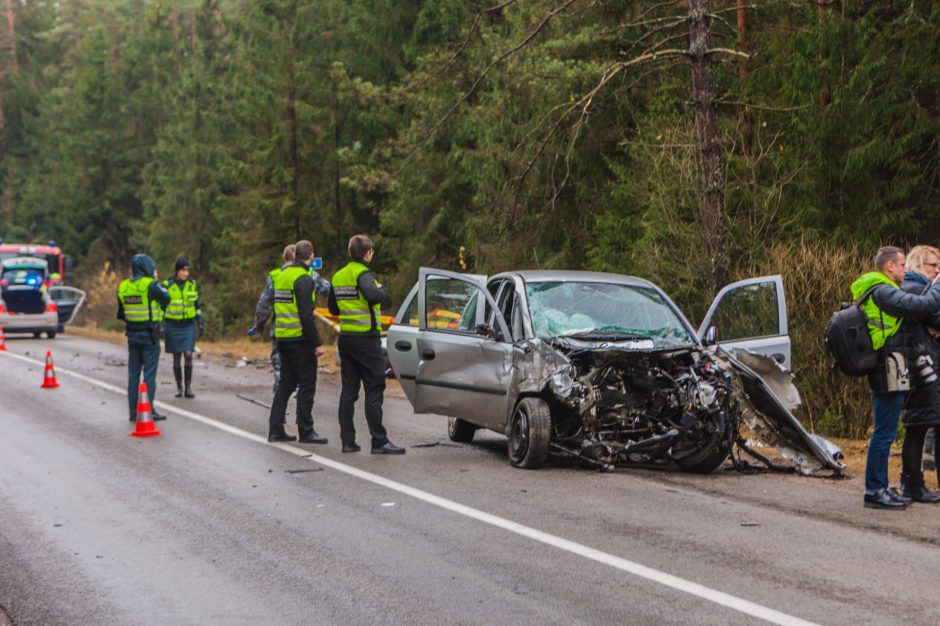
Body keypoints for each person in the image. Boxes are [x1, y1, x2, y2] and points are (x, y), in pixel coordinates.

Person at [852, 246, 940, 509]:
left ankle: (880, 486)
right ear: (889, 266)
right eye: (902, 265)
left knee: (887, 430)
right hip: (886, 365)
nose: (905, 269)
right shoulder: (882, 290)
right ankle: (874, 489)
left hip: (893, 363)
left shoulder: (883, 289)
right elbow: (924, 305)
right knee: (884, 432)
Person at [329, 234, 404, 454]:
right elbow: (373, 296)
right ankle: (379, 441)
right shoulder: (364, 274)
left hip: (346, 339)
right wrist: (383, 289)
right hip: (366, 339)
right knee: (374, 387)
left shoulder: (338, 276)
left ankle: (347, 441)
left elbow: (333, 309)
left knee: (349, 390)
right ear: (367, 253)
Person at [267, 240, 328, 444]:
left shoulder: (282, 276)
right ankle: (306, 430)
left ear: (294, 256)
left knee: (286, 383)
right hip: (299, 340)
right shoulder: (304, 278)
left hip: (282, 337)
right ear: (310, 257)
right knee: (307, 384)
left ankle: (275, 429)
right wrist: (317, 343)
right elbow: (305, 315)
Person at [251, 244, 330, 394]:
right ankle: (299, 401)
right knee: (304, 371)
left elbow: (264, 305)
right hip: (303, 332)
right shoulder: (310, 274)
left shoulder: (275, 275)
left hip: (280, 330)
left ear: (284, 258)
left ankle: (279, 404)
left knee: (281, 370)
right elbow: (328, 290)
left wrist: (259, 325)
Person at [898, 245, 940, 503]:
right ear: (917, 264)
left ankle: (914, 484)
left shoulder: (918, 291)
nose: (936, 270)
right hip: (921, 368)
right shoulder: (916, 291)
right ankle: (913, 484)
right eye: (932, 265)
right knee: (918, 426)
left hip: (925, 365)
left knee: (924, 424)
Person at [118, 254, 170, 421]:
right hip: (149, 336)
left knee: (133, 374)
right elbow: (166, 298)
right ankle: (147, 409)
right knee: (149, 375)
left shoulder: (124, 286)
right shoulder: (151, 285)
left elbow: (121, 313)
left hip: (132, 335)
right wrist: (156, 281)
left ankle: (133, 412)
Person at [163, 257, 203, 398]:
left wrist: (200, 320)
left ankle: (188, 387)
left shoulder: (192, 284)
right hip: (173, 325)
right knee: (176, 356)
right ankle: (179, 387)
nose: (186, 273)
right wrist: (161, 324)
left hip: (188, 325)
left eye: (187, 270)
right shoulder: (167, 285)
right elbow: (162, 306)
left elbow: (197, 304)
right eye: (183, 270)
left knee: (188, 354)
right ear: (177, 271)